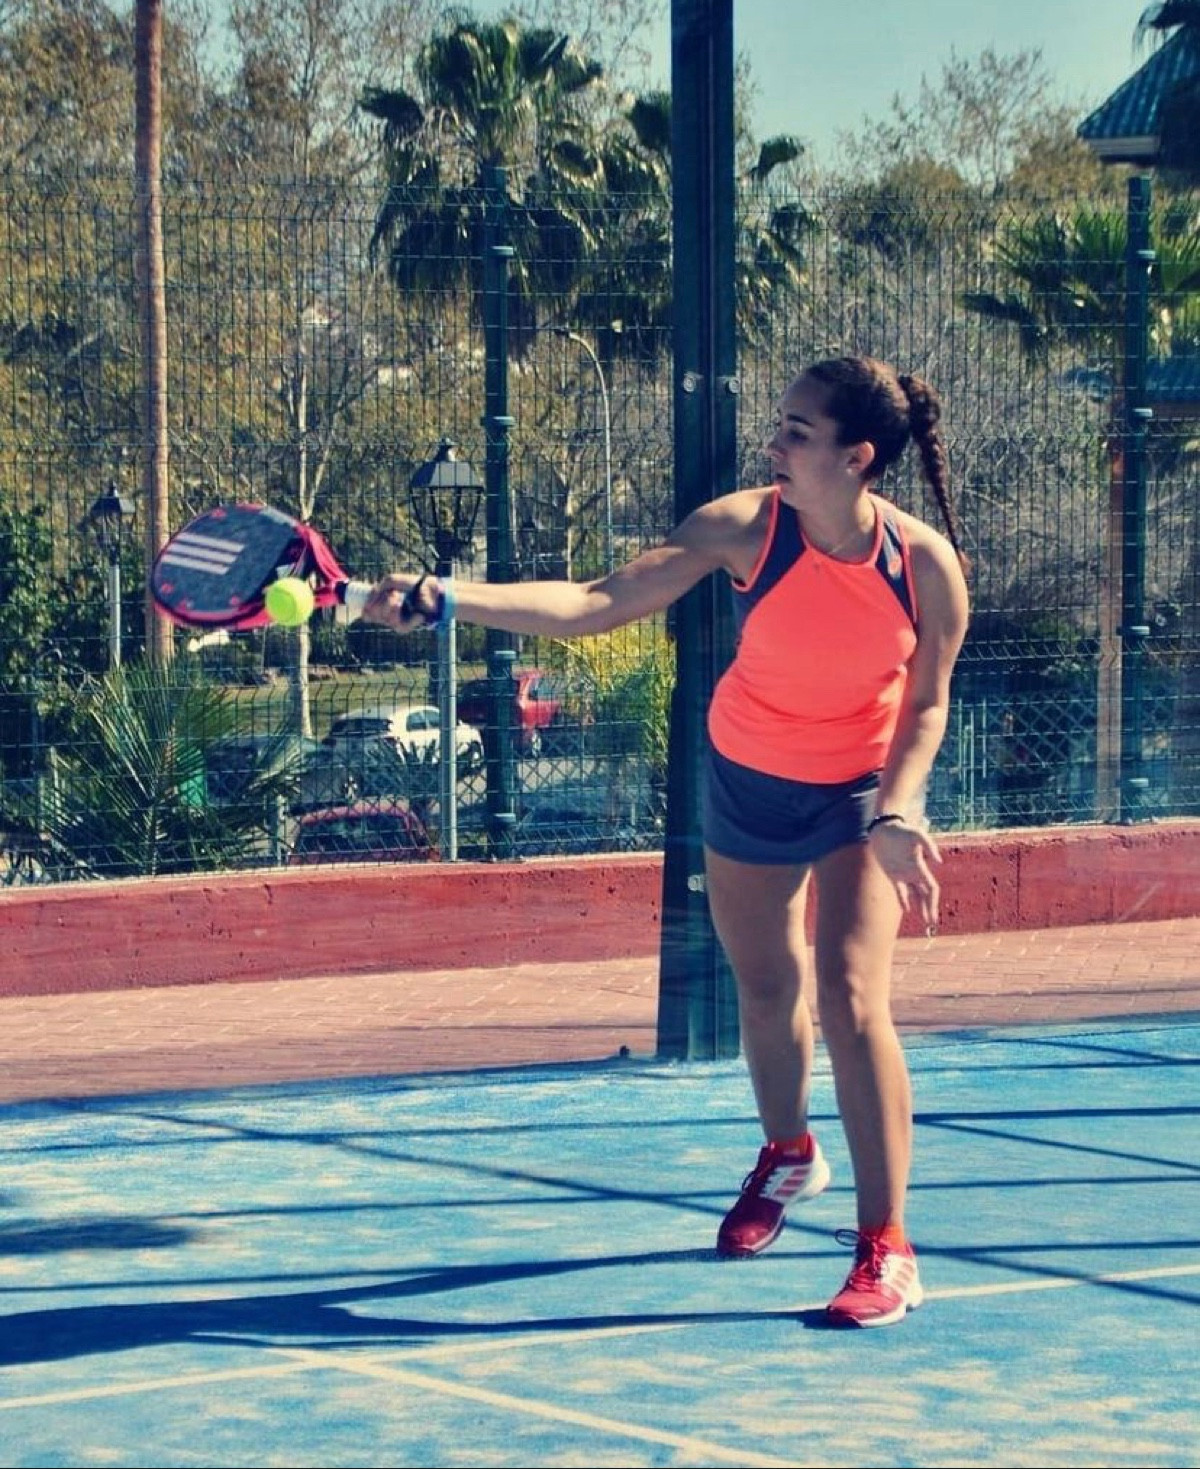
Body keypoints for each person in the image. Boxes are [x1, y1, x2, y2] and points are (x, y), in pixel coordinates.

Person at [363, 354, 970, 1328]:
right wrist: (449, 596)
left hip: (857, 791)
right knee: (764, 989)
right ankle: (788, 1155)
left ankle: (887, 1245)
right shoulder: (742, 527)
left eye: (798, 431)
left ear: (858, 457)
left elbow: (927, 702)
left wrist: (899, 810)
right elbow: (593, 602)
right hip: (746, 775)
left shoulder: (923, 565)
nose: (774, 443)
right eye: (779, 423)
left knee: (853, 999)